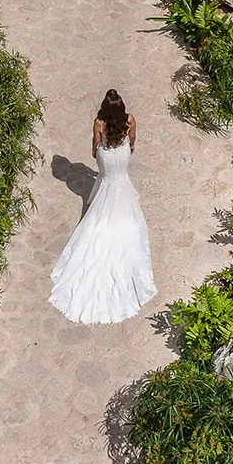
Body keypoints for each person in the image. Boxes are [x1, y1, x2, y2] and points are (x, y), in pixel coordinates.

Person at [49, 89, 157, 325]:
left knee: (107, 178)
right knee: (119, 178)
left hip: (107, 159)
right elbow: (133, 141)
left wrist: (97, 153)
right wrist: (128, 148)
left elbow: (95, 145)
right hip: (122, 156)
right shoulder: (130, 120)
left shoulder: (99, 122)